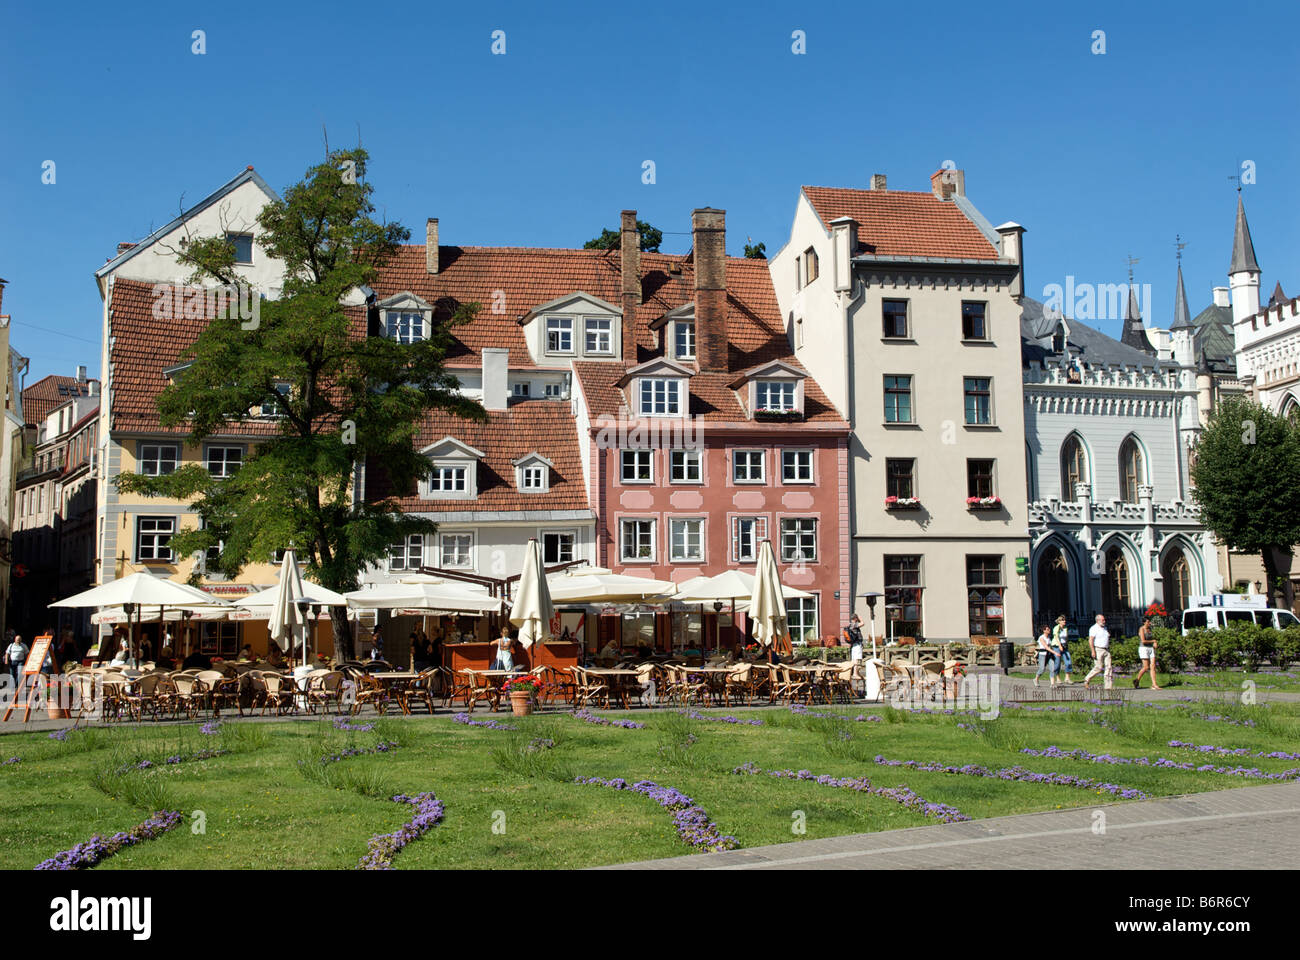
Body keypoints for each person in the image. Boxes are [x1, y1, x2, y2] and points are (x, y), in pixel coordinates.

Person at [1083, 614, 1112, 690]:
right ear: (1098, 620)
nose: (1104, 621)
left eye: (1104, 620)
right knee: (1098, 667)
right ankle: (1087, 679)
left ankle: (1108, 686)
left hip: (1106, 649)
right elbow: (1091, 640)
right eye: (1103, 620)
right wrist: (1093, 651)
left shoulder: (1105, 628)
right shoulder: (1093, 628)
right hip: (1098, 649)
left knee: (1109, 667)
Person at [1133, 616, 1163, 690]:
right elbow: (1143, 641)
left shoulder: (1150, 629)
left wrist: (1154, 643)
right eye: (1148, 622)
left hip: (1150, 648)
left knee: (1153, 666)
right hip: (1144, 648)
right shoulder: (1141, 629)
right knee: (1146, 667)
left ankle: (1154, 684)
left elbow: (1151, 638)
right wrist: (1154, 641)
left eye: (1149, 622)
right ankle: (1137, 680)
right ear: (1144, 622)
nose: (1149, 623)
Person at [1051, 615, 1073, 684]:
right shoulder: (1056, 628)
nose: (1064, 621)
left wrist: (1066, 644)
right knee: (1057, 663)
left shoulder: (1065, 628)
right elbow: (1056, 637)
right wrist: (1060, 645)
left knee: (1068, 662)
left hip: (1064, 646)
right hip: (1057, 646)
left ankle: (1067, 678)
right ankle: (1057, 678)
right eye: (1063, 620)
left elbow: (1066, 637)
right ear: (1059, 621)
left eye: (1065, 620)